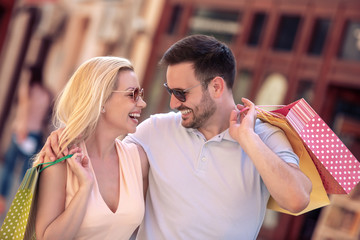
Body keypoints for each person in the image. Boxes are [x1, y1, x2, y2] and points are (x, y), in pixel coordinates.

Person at [41, 35, 312, 239]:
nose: (172, 104)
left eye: (181, 93)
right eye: (169, 91)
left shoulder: (266, 134)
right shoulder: (154, 130)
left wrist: (248, 139)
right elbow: (104, 155)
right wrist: (69, 135)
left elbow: (297, 199)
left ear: (216, 86)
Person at [33, 56, 148, 240]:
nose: (142, 103)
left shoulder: (138, 159)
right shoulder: (61, 157)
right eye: (132, 94)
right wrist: (85, 188)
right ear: (101, 100)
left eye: (140, 94)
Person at [0, 65, 52, 215]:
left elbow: (23, 110)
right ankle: (21, 207)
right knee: (27, 171)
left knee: (9, 167)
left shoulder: (27, 89)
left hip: (22, 132)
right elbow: (45, 117)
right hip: (35, 135)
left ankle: (2, 202)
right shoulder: (46, 93)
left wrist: (21, 130)